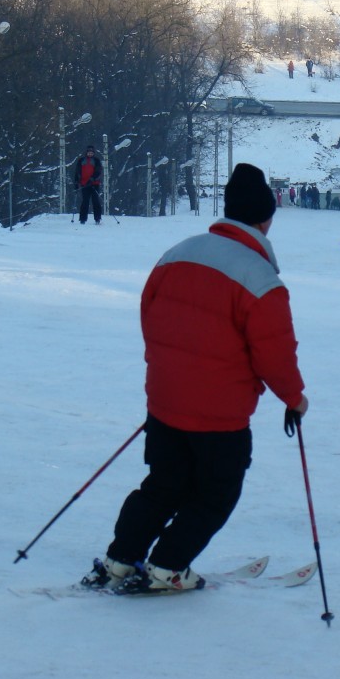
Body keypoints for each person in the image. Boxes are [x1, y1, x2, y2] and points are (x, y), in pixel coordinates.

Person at [81, 163, 309, 594]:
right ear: (265, 220)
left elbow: (150, 314)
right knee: (215, 494)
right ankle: (167, 566)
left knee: (161, 486)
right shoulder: (260, 279)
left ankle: (119, 560)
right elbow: (275, 355)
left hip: (165, 401)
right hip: (219, 416)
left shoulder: (178, 252)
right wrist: (294, 399)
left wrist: (170, 372)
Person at [72, 146, 103, 225]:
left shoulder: (96, 160)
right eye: (89, 152)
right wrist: (76, 183)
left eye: (91, 153)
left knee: (95, 201)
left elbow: (99, 172)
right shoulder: (81, 160)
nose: (90, 154)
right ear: (86, 153)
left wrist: (92, 179)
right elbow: (77, 172)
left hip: (94, 184)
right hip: (84, 184)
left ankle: (97, 218)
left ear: (93, 153)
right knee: (85, 201)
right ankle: (82, 219)